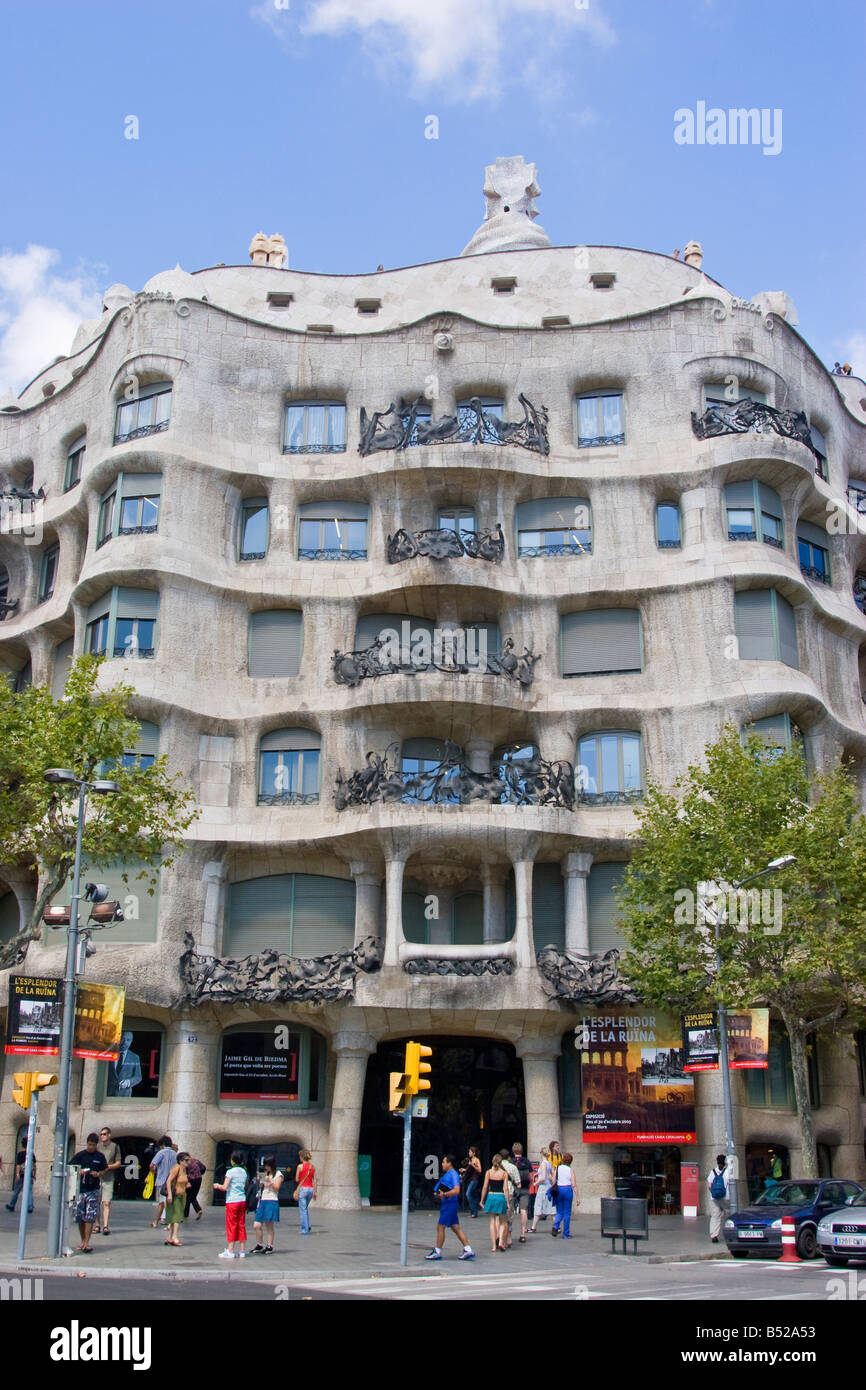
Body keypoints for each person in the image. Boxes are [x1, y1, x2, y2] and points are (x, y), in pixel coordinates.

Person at [425, 1155, 475, 1261]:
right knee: (455, 1227)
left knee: (440, 1227)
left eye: (444, 1162)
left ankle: (437, 1251)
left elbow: (456, 1190)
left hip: (450, 1204)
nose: (442, 1164)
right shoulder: (447, 1175)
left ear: (449, 1163)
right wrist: (439, 1194)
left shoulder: (453, 1175)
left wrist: (445, 1194)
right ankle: (468, 1249)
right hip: (448, 1203)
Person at [72, 1133, 107, 1253]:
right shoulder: (80, 1155)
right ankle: (83, 1241)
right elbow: (71, 1167)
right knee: (80, 1217)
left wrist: (98, 1174)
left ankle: (87, 1242)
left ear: (96, 1145)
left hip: (93, 1190)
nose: (90, 1147)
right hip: (81, 1189)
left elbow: (104, 1169)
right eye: (89, 1144)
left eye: (93, 1145)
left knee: (90, 1216)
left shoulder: (100, 1156)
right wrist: (79, 1172)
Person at [214, 1150, 248, 1259]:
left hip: (232, 1201)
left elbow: (224, 1187)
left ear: (233, 1160)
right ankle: (242, 1250)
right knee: (241, 1224)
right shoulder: (244, 1172)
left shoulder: (230, 1172)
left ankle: (230, 1250)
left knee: (231, 1225)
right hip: (242, 1200)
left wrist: (217, 1186)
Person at [480, 1153, 511, 1253]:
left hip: (491, 1196)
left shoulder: (488, 1172)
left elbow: (485, 1187)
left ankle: (494, 1246)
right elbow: (505, 1188)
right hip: (500, 1196)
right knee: (502, 1222)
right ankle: (501, 1242)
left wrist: (481, 1200)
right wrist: (507, 1202)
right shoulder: (504, 1173)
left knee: (492, 1221)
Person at [251, 1156, 283, 1254]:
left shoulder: (278, 1174)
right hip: (263, 1199)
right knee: (256, 1225)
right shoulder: (266, 1173)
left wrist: (269, 1180)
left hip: (272, 1200)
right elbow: (261, 1186)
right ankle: (259, 1244)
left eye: (267, 1165)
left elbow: (277, 1188)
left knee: (269, 1225)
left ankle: (269, 1245)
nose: (266, 1167)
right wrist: (260, 1179)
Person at [95, 1126, 121, 1235]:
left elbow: (118, 1162)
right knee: (96, 1202)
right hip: (98, 1177)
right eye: (101, 1134)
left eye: (104, 1134)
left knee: (106, 1202)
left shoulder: (115, 1147)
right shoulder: (98, 1147)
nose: (102, 1136)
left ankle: (105, 1225)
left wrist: (109, 1167)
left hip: (109, 1178)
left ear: (109, 1135)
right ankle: (97, 1225)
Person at [148, 1135, 178, 1228]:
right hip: (173, 1181)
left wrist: (154, 1171)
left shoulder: (161, 1153)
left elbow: (152, 1165)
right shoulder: (175, 1154)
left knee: (164, 1202)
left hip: (162, 1181)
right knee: (163, 1202)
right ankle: (156, 1221)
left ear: (162, 1144)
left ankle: (169, 1222)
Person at [164, 1152, 190, 1246]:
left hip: (181, 1196)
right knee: (177, 1218)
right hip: (175, 1196)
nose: (188, 1162)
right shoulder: (176, 1168)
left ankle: (169, 1237)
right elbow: (168, 1181)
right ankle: (175, 1237)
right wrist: (170, 1195)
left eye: (189, 1160)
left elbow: (182, 1181)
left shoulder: (184, 1170)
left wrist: (186, 1184)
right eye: (186, 1160)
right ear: (180, 1161)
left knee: (173, 1217)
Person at [551, 1152, 578, 1238]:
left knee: (559, 1211)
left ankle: (556, 1225)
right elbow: (573, 1184)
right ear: (570, 1161)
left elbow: (553, 1181)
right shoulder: (570, 1170)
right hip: (567, 1190)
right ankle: (566, 1234)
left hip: (559, 1189)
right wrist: (578, 1197)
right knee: (567, 1213)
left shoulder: (557, 1168)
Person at [6, 1139, 35, 1213]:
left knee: (16, 1191)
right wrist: (34, 1175)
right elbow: (34, 1166)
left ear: (22, 1144)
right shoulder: (31, 1154)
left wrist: (17, 1174)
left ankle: (12, 1205)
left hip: (22, 1175)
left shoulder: (20, 1154)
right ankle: (30, 1206)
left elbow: (18, 1166)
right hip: (29, 1175)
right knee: (29, 1191)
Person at [530, 1147, 555, 1232]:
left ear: (541, 1153)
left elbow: (543, 1178)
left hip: (543, 1187)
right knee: (551, 1207)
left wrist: (535, 1183)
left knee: (538, 1206)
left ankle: (533, 1227)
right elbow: (552, 1175)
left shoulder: (543, 1163)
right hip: (549, 1187)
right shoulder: (549, 1163)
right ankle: (556, 1227)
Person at [499, 1148, 521, 1247]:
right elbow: (518, 1183)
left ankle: (499, 1237)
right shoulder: (512, 1167)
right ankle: (508, 1237)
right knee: (509, 1216)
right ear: (508, 1156)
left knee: (498, 1216)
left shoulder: (496, 1166)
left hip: (498, 1193)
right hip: (510, 1192)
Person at [706, 1153, 730, 1242]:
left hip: (715, 1198)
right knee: (729, 1215)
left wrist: (714, 1193)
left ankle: (714, 1235)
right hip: (726, 1198)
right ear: (725, 1162)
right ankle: (730, 1234)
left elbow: (709, 1186)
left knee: (715, 1216)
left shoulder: (713, 1172)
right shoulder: (728, 1172)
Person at [512, 1142, 532, 1242]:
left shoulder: (511, 1162)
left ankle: (508, 1235)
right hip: (525, 1188)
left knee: (510, 1210)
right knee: (524, 1210)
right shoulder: (527, 1161)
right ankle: (523, 1233)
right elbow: (531, 1176)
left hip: (514, 1188)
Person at [295, 1149, 317, 1235]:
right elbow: (314, 1180)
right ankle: (308, 1224)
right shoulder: (312, 1167)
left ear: (301, 1157)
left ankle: (305, 1229)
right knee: (305, 1208)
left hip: (303, 1189)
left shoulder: (300, 1167)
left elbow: (297, 1179)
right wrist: (315, 1192)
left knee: (302, 1210)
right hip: (311, 1189)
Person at [460, 1146, 483, 1217]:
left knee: (468, 1194)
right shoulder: (471, 1160)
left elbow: (479, 1170)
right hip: (470, 1179)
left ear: (474, 1153)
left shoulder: (476, 1160)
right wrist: (464, 1170)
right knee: (472, 1195)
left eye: (470, 1152)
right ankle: (473, 1212)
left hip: (474, 1179)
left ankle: (473, 1211)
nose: (469, 1153)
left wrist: (472, 1164)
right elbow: (470, 1170)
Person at [185, 1155, 206, 1220]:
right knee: (193, 1196)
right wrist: (200, 1173)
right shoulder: (196, 1160)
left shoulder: (185, 1162)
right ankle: (198, 1210)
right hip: (199, 1179)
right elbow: (204, 1167)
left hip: (190, 1179)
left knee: (187, 1197)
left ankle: (185, 1215)